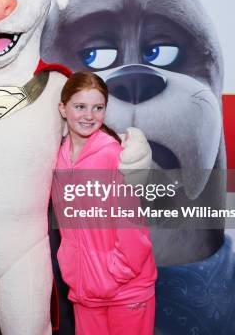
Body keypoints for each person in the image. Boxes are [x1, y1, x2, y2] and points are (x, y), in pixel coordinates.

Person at [53, 71, 157, 335]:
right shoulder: (59, 157)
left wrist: (113, 274)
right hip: (84, 290)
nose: (89, 115)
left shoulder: (113, 155)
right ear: (63, 109)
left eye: (98, 108)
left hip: (126, 290)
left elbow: (133, 227)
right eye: (80, 107)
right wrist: (74, 268)